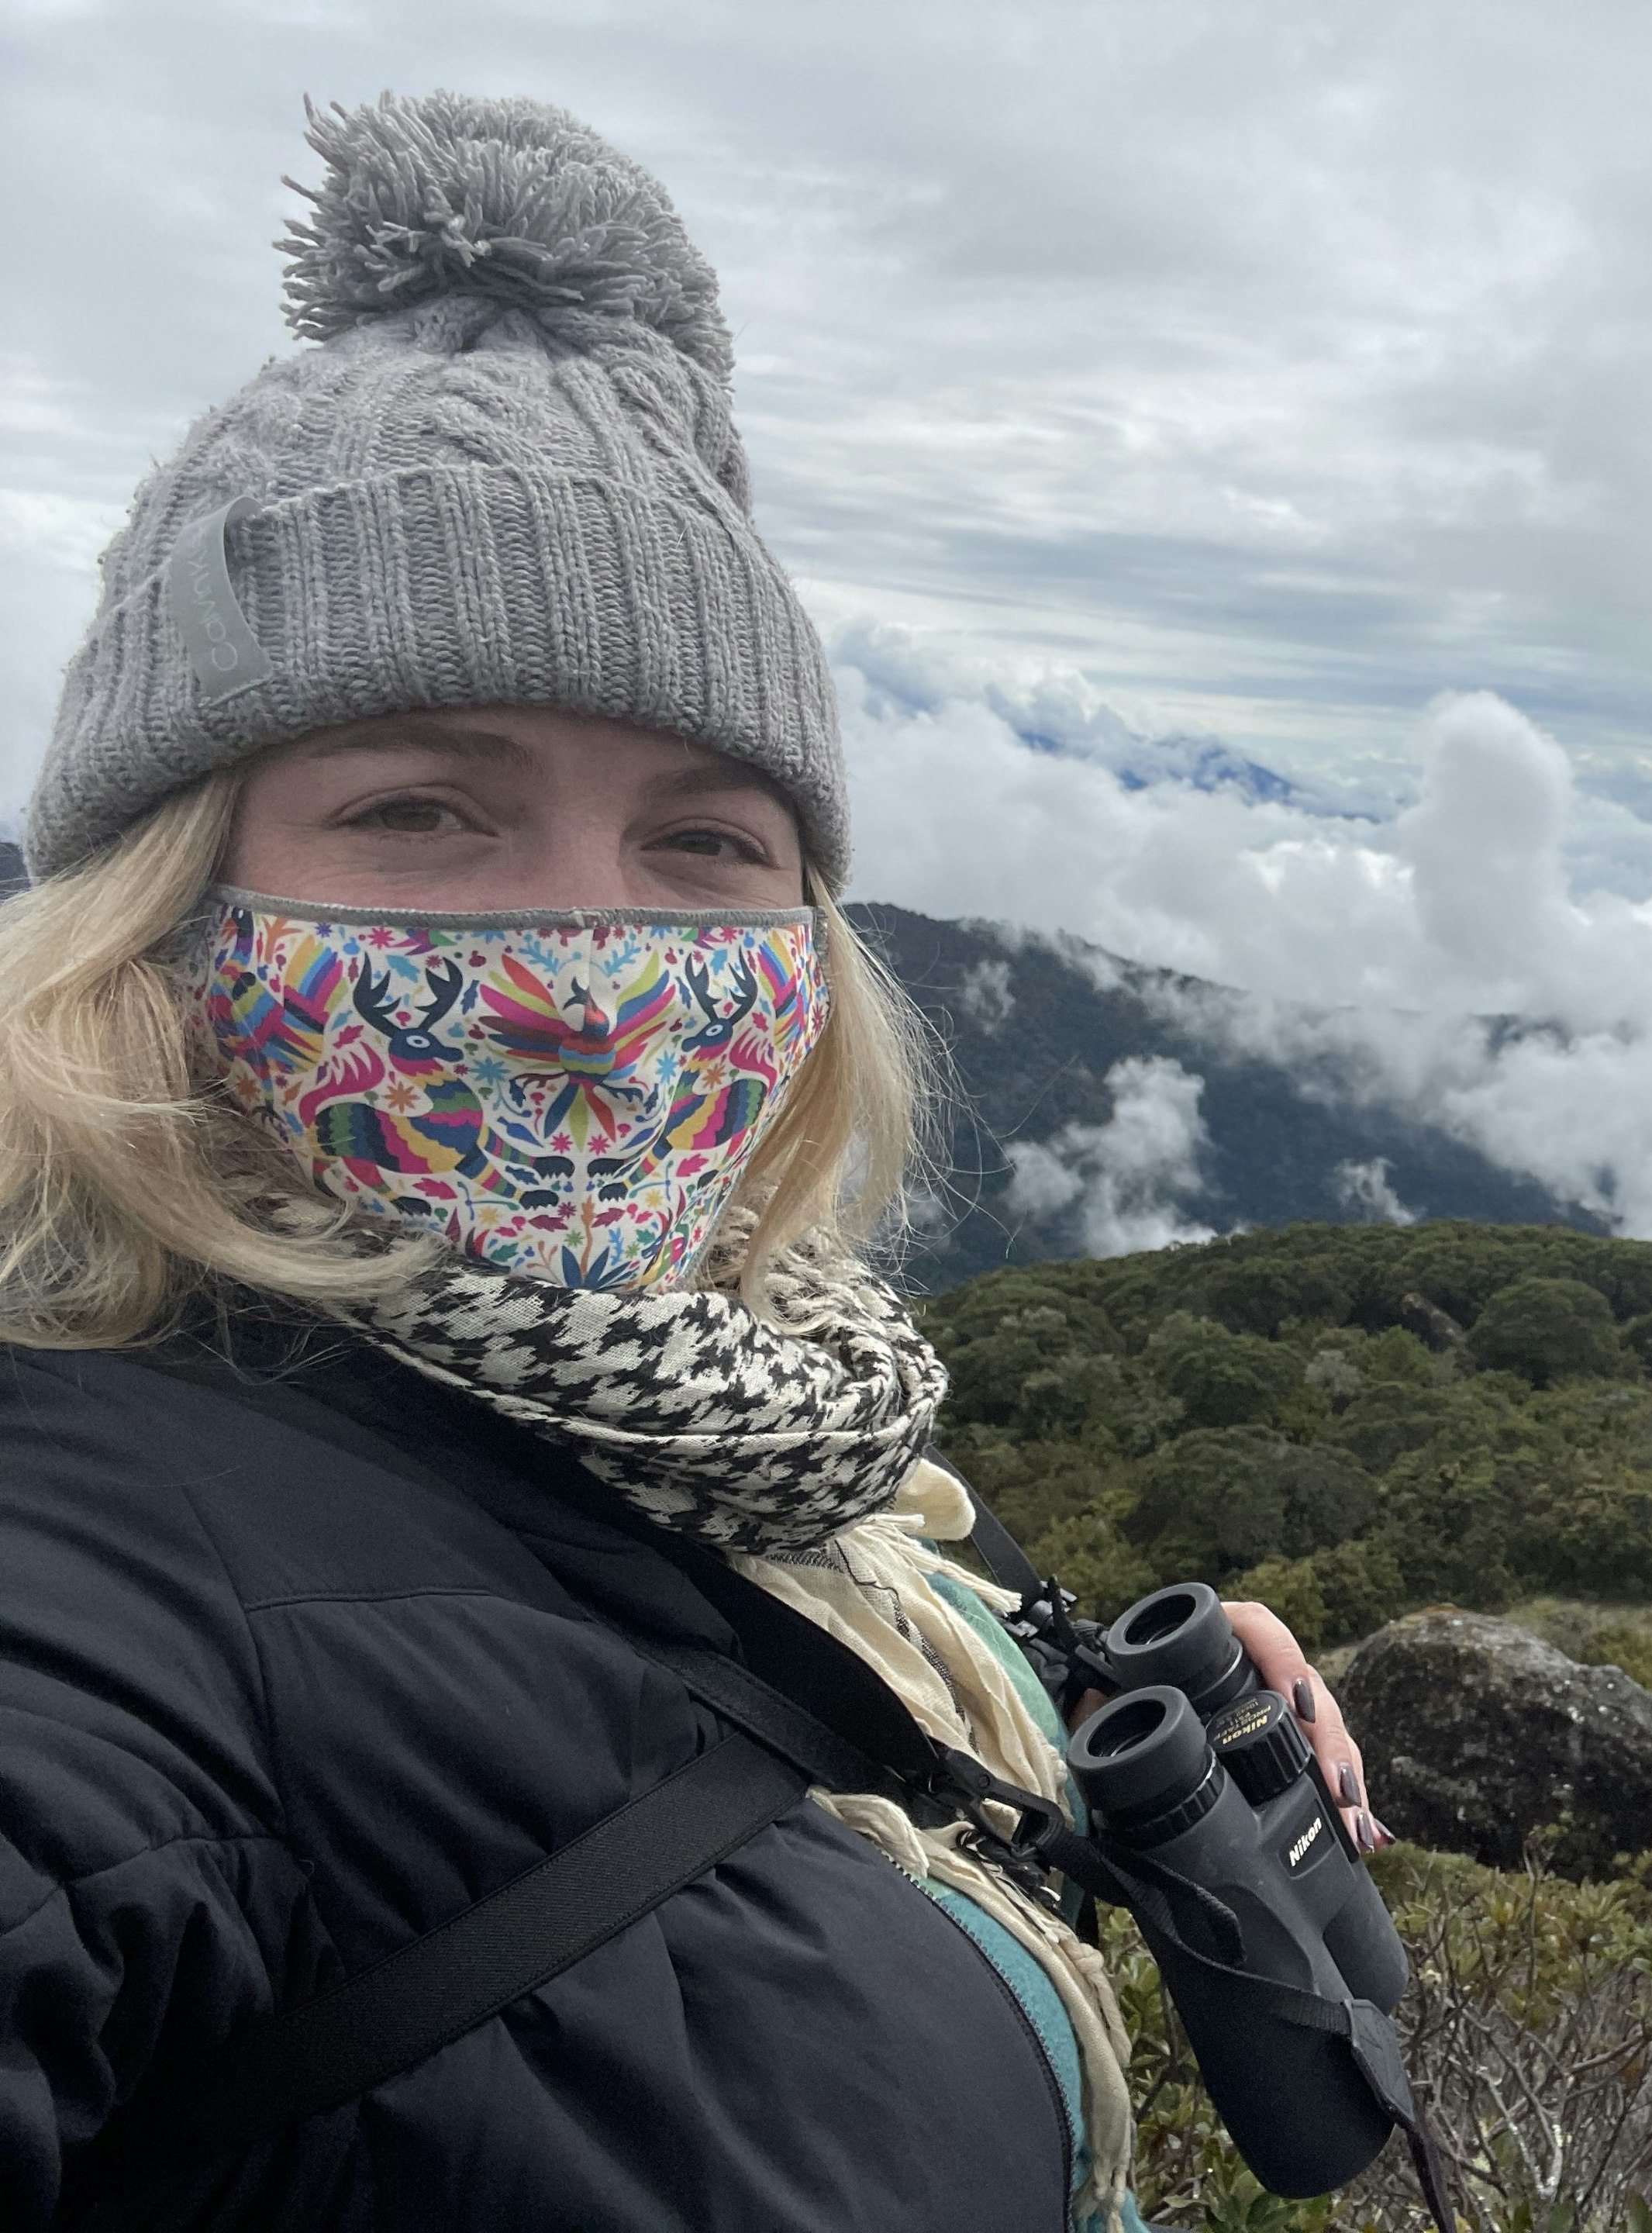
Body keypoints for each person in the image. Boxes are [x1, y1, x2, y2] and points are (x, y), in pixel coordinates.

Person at [0, 91, 1379, 2231]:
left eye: (703, 845)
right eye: (419, 813)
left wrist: (1051, 1679)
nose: (583, 971)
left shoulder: (745, 1422)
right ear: (155, 909)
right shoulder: (83, 1581)